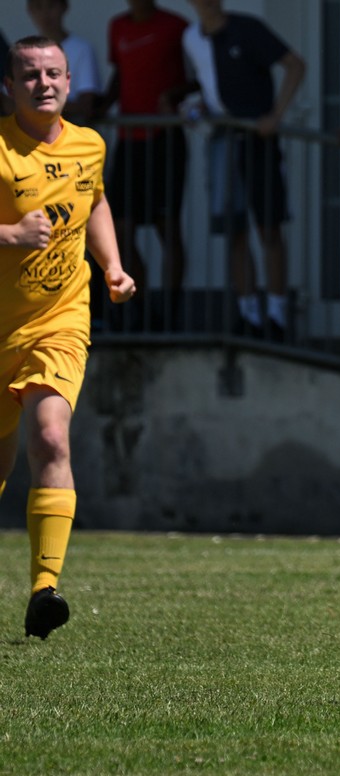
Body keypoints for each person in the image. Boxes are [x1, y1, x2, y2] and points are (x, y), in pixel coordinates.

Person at [0, 36, 137, 638]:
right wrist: (10, 235)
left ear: (70, 80)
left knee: (51, 436)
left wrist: (112, 266)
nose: (44, 84)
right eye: (31, 75)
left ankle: (44, 589)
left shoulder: (90, 144)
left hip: (60, 319)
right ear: (9, 86)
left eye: (54, 73)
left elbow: (95, 201)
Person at [182, 0, 305, 341]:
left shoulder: (247, 29)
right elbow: (205, 83)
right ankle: (248, 313)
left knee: (269, 227)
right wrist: (195, 108)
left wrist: (276, 115)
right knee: (233, 229)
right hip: (222, 139)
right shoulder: (191, 38)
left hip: (257, 140)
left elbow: (295, 65)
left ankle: (277, 316)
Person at [103, 0, 190, 332]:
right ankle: (140, 307)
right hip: (129, 139)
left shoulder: (177, 27)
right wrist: (102, 104)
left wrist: (175, 95)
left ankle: (170, 311)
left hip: (165, 139)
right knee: (120, 230)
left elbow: (198, 78)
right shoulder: (118, 26)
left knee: (167, 226)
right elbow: (120, 75)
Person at [25, 0, 101, 124]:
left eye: (51, 5)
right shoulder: (24, 53)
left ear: (64, 7)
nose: (45, 13)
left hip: (72, 132)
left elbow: (86, 105)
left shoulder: (82, 49)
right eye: (38, 6)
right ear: (30, 10)